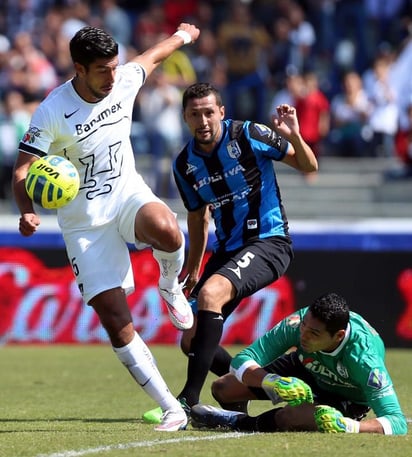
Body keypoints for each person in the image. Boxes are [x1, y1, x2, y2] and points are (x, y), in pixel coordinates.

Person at [12, 24, 200, 432]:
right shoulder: (51, 110)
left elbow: (152, 56)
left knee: (169, 230)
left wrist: (183, 36)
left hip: (126, 195)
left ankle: (170, 285)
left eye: (115, 67)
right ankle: (172, 407)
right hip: (84, 225)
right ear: (79, 68)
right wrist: (26, 210)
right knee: (117, 321)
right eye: (102, 70)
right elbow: (22, 170)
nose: (113, 77)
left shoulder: (123, 81)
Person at [161, 82, 317, 418]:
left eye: (208, 112)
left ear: (221, 112)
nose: (202, 120)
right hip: (227, 250)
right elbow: (198, 216)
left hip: (268, 241)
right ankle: (255, 385)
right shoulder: (185, 164)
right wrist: (193, 267)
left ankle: (186, 400)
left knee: (211, 295)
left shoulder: (250, 135)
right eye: (194, 114)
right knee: (190, 340)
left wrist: (295, 136)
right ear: (185, 118)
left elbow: (309, 166)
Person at [190, 292, 407, 435]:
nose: (303, 335)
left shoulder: (364, 359)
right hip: (305, 367)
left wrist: (351, 426)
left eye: (313, 333)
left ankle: (236, 422)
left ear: (338, 336)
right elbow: (241, 361)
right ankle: (240, 414)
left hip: (346, 396)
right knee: (223, 388)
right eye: (304, 326)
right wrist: (271, 382)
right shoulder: (300, 323)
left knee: (290, 417)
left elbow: (397, 422)